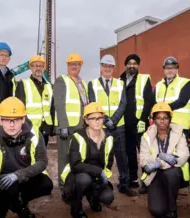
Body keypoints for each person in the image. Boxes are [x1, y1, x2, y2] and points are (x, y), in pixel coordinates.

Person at [87, 54, 137, 197]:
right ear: (101, 67)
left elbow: (123, 103)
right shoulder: (93, 84)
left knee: (122, 156)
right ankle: (99, 183)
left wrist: (113, 120)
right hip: (100, 127)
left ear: (113, 68)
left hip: (118, 126)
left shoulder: (120, 83)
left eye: (110, 66)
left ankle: (124, 184)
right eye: (105, 66)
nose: (107, 68)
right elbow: (93, 104)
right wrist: (105, 119)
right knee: (99, 156)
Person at [60, 102, 115, 218]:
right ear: (86, 120)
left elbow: (109, 162)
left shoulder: (109, 138)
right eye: (93, 118)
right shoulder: (78, 137)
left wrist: (101, 178)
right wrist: (98, 171)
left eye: (100, 118)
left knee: (108, 197)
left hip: (96, 177)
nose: (97, 121)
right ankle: (76, 207)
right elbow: (75, 165)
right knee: (84, 179)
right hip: (78, 174)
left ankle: (93, 197)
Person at [140, 102, 189, 218]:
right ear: (153, 120)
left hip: (173, 172)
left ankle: (172, 210)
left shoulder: (179, 133)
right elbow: (143, 160)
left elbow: (183, 156)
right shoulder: (146, 136)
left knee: (171, 174)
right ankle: (164, 198)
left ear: (170, 119)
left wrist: (158, 163)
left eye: (165, 118)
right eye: (158, 118)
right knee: (157, 210)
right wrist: (158, 156)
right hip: (155, 175)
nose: (162, 121)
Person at [53, 53, 89, 191]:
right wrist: (63, 126)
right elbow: (59, 104)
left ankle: (75, 183)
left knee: (77, 157)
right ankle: (64, 186)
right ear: (67, 66)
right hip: (67, 128)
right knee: (64, 158)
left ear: (80, 66)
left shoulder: (82, 83)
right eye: (72, 64)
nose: (74, 67)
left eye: (77, 64)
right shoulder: (62, 80)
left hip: (80, 126)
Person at [119, 54, 154, 192]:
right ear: (125, 65)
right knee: (130, 153)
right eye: (129, 63)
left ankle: (147, 181)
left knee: (144, 152)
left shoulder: (144, 79)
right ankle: (133, 179)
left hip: (139, 123)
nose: (131, 65)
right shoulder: (120, 80)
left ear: (138, 65)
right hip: (124, 124)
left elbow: (148, 101)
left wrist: (142, 120)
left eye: (134, 63)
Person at [14, 55, 55, 146]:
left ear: (44, 68)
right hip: (29, 128)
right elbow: (20, 107)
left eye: (41, 66)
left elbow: (52, 108)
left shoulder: (49, 87)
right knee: (28, 156)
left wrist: (53, 127)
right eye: (35, 66)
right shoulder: (23, 84)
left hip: (45, 127)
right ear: (31, 68)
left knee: (42, 155)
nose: (38, 68)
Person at [154, 56, 190, 139]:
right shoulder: (158, 85)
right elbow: (153, 103)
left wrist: (164, 109)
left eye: (173, 68)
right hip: (163, 126)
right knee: (165, 151)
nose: (170, 70)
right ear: (164, 70)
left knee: (181, 151)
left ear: (177, 70)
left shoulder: (185, 82)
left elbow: (182, 101)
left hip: (180, 125)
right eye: (167, 68)